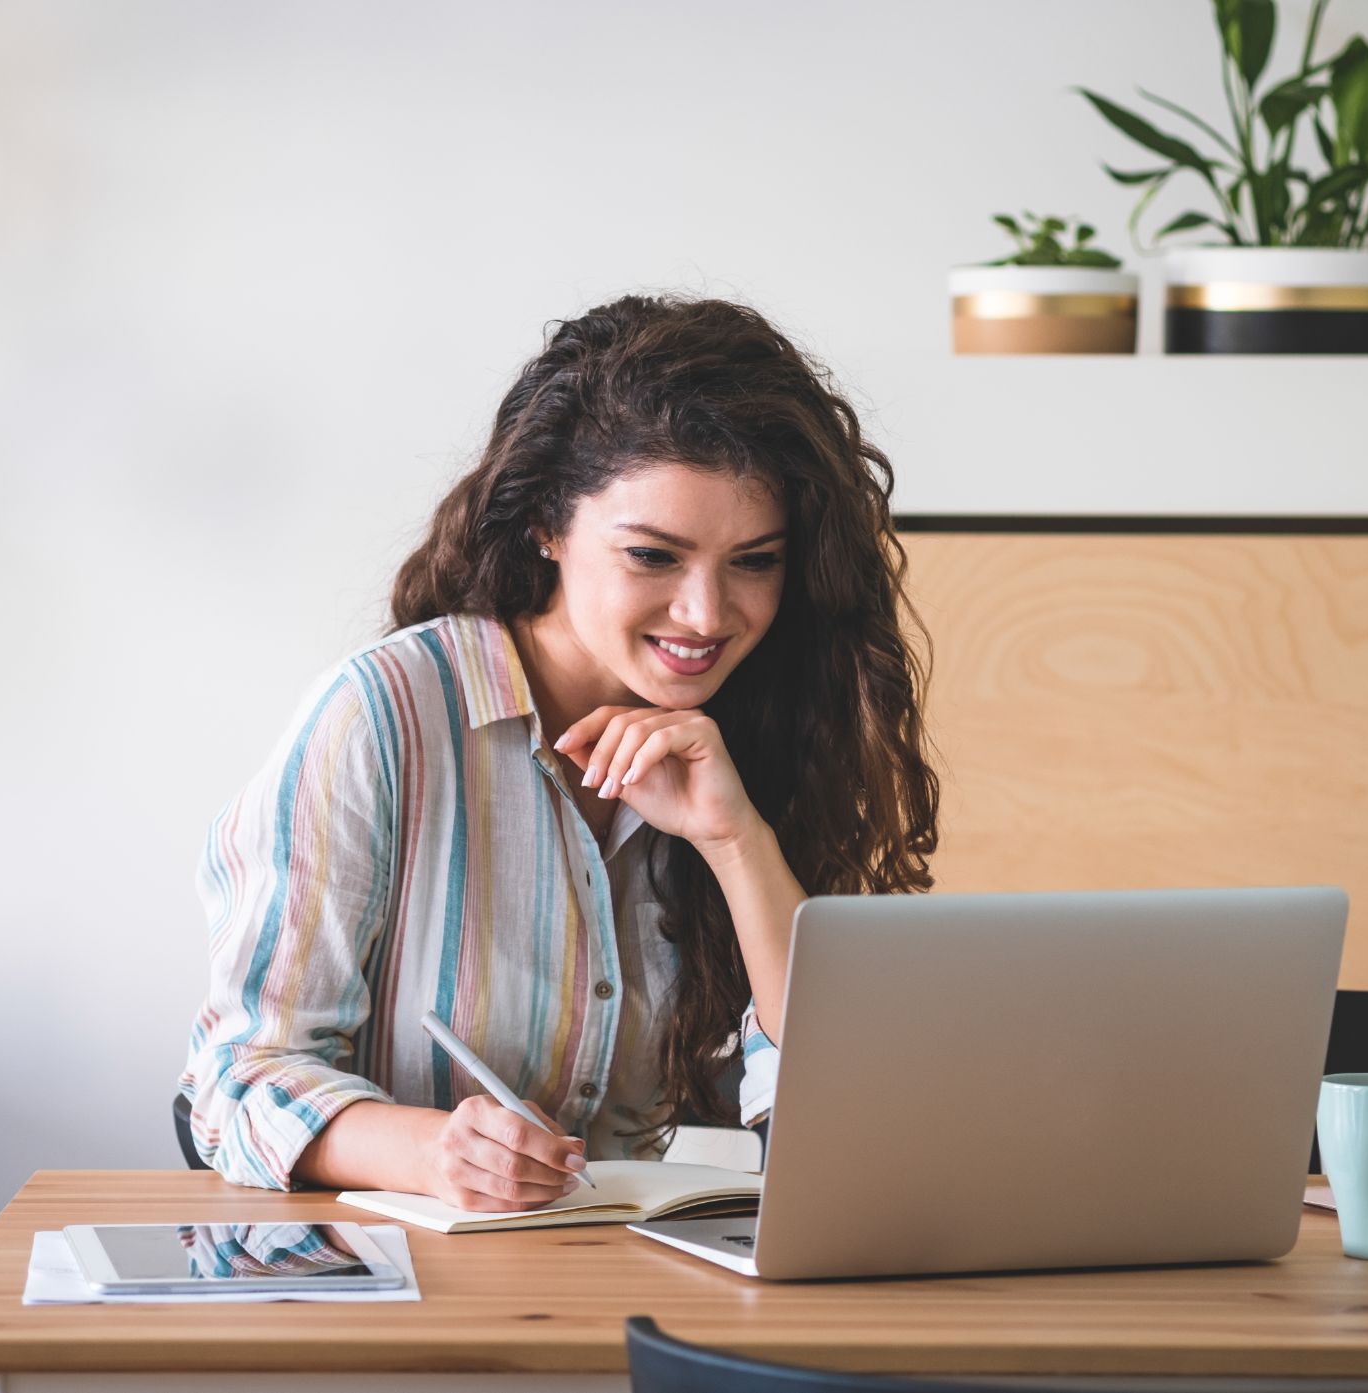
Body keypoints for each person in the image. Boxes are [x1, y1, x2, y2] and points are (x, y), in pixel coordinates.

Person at [179, 294, 938, 1206]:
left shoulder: (769, 729)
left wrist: (737, 844)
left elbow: (837, 1112)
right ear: (547, 523)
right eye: (654, 556)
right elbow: (239, 1078)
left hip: (623, 1278)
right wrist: (435, 1153)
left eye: (755, 561)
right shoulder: (384, 715)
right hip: (396, 1289)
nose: (707, 613)